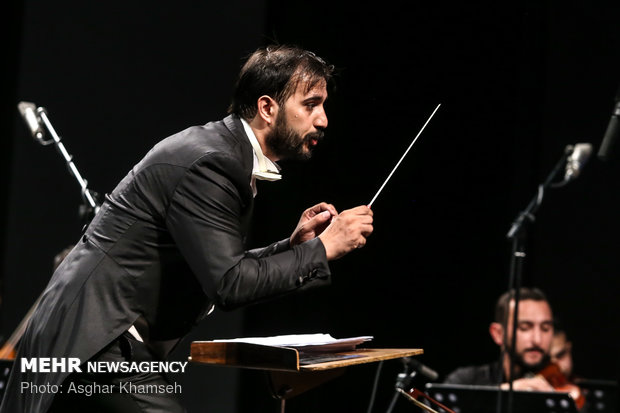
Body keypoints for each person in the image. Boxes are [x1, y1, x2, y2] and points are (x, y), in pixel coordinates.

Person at [0, 44, 374, 413]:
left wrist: (294, 247)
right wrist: (323, 248)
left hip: (101, 341)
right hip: (91, 341)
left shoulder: (224, 153)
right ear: (267, 108)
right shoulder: (213, 163)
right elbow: (230, 283)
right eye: (310, 104)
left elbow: (220, 264)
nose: (323, 119)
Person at [444, 288, 557, 391]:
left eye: (545, 328)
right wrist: (504, 392)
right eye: (525, 328)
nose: (537, 339)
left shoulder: (559, 386)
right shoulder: (465, 381)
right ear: (498, 333)